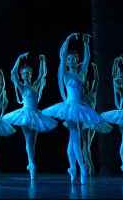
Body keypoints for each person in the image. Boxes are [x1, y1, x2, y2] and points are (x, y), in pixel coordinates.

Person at [42, 33, 104, 184]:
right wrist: (69, 38)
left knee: (72, 142)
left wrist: (86, 43)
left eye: (74, 59)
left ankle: (72, 168)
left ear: (77, 61)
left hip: (80, 107)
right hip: (69, 107)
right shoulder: (65, 74)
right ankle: (81, 168)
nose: (71, 61)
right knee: (75, 136)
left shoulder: (82, 73)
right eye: (69, 59)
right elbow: (62, 56)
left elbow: (88, 58)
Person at [3, 52, 57, 179]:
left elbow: (43, 74)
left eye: (28, 73)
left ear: (31, 74)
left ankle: (31, 162)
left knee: (33, 141)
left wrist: (43, 61)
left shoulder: (36, 85)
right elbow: (12, 74)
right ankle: (32, 165)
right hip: (25, 114)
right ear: (22, 76)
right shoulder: (22, 87)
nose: (26, 75)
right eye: (24, 73)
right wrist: (19, 58)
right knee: (28, 139)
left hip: (36, 114)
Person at [81, 62, 114, 176]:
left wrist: (95, 69)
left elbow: (97, 81)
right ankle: (88, 165)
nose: (87, 85)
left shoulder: (92, 93)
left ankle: (88, 165)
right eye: (85, 84)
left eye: (87, 83)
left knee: (87, 144)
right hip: (84, 120)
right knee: (85, 144)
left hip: (93, 120)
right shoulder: (81, 96)